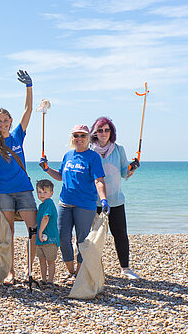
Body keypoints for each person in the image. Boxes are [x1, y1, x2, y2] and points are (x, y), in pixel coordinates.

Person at [40, 124, 110, 285]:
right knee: (63, 238)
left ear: (88, 138)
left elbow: (99, 180)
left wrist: (104, 199)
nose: (79, 139)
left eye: (83, 136)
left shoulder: (93, 157)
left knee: (82, 240)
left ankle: (79, 274)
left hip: (85, 205)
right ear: (72, 138)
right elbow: (60, 176)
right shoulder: (68, 155)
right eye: (76, 136)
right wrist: (46, 168)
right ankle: (71, 272)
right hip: (65, 203)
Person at [0, 70, 37, 285]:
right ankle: (10, 272)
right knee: (8, 234)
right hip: (3, 193)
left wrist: (28, 87)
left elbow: (28, 109)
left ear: (10, 121)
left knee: (33, 230)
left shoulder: (17, 135)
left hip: (24, 189)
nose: (3, 124)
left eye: (6, 120)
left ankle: (30, 269)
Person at [89, 117, 140, 279]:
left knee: (120, 235)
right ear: (94, 133)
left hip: (116, 201)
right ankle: (92, 268)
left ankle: (125, 268)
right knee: (93, 237)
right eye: (100, 130)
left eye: (106, 130)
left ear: (111, 132)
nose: (103, 133)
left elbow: (125, 172)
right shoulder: (89, 151)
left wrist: (132, 168)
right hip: (93, 202)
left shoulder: (119, 150)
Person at [34, 179, 59, 288]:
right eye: (39, 192)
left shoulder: (49, 203)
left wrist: (39, 232)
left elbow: (46, 218)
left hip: (50, 238)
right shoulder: (41, 206)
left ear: (51, 193)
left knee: (50, 261)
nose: (42, 195)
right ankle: (43, 278)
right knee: (42, 260)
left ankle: (50, 280)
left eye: (45, 192)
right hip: (41, 239)